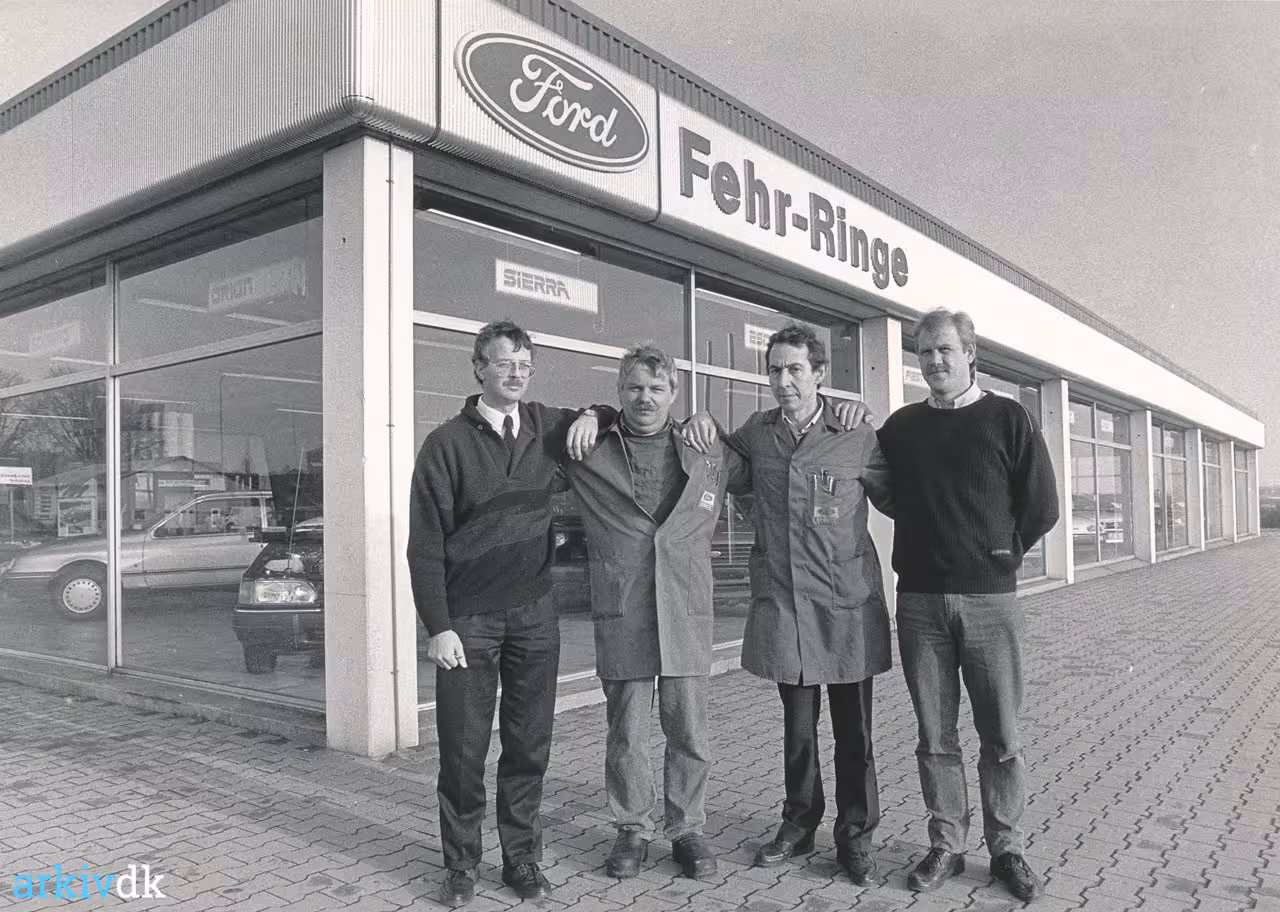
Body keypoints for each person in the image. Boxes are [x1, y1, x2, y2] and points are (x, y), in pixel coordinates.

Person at [407, 320, 609, 908]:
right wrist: (438, 625)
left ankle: (522, 858)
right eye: (504, 364)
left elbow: (613, 415)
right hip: (469, 622)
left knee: (528, 745)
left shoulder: (546, 427)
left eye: (525, 364)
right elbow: (424, 545)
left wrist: (592, 415)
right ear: (479, 368)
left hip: (535, 617)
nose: (517, 374)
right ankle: (461, 866)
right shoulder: (446, 444)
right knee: (463, 750)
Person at [686, 323, 891, 885]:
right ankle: (799, 824)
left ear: (819, 374)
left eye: (795, 369)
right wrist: (700, 421)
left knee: (855, 733)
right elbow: (720, 463)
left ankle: (856, 838)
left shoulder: (854, 433)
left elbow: (902, 497)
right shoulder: (759, 433)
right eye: (775, 370)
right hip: (786, 604)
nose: (783, 381)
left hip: (845, 605)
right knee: (798, 729)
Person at [875, 308, 1059, 904]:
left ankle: (1006, 849)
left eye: (945, 350)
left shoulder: (1007, 417)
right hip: (920, 602)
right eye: (925, 351)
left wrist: (1001, 552)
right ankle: (947, 845)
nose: (934, 361)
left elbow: (1042, 504)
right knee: (935, 734)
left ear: (970, 353)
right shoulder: (902, 427)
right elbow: (883, 489)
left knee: (1000, 733)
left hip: (989, 600)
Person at [565, 343, 730, 881]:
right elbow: (533, 424)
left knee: (689, 732)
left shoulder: (706, 449)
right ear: (619, 391)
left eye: (657, 388)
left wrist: (708, 417)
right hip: (626, 607)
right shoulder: (589, 448)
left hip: (685, 607)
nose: (645, 397)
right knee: (627, 733)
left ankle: (686, 830)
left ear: (674, 393)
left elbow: (772, 459)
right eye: (634, 387)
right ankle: (631, 829)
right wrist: (592, 413)